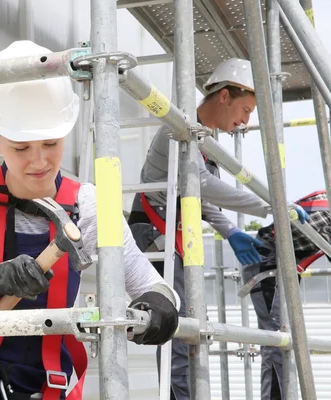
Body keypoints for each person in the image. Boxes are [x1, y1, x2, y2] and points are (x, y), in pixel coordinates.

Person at [0, 40, 181, 400]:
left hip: (48, 377)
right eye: (21, 148)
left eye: (51, 143)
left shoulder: (88, 205)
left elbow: (153, 287)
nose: (40, 161)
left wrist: (160, 309)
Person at [127, 58, 310, 400]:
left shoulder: (205, 143)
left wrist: (230, 231)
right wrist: (272, 206)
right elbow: (203, 185)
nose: (245, 121)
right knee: (179, 325)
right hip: (154, 232)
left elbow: (200, 196)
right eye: (245, 109)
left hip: (173, 230)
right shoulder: (180, 129)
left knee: (191, 325)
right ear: (224, 96)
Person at [243, 189, 329, 400]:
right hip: (267, 263)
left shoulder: (324, 200)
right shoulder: (326, 211)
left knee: (284, 340)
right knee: (277, 340)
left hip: (283, 264)